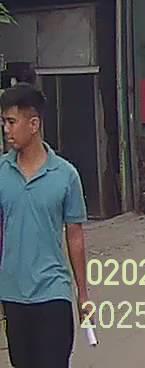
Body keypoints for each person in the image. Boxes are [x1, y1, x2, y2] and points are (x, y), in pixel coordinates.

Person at [0, 83, 88, 368]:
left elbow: (75, 235)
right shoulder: (1, 172)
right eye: (4, 122)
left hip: (53, 291)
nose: (6, 130)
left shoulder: (65, 175)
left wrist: (83, 294)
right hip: (12, 293)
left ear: (34, 124)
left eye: (12, 122)